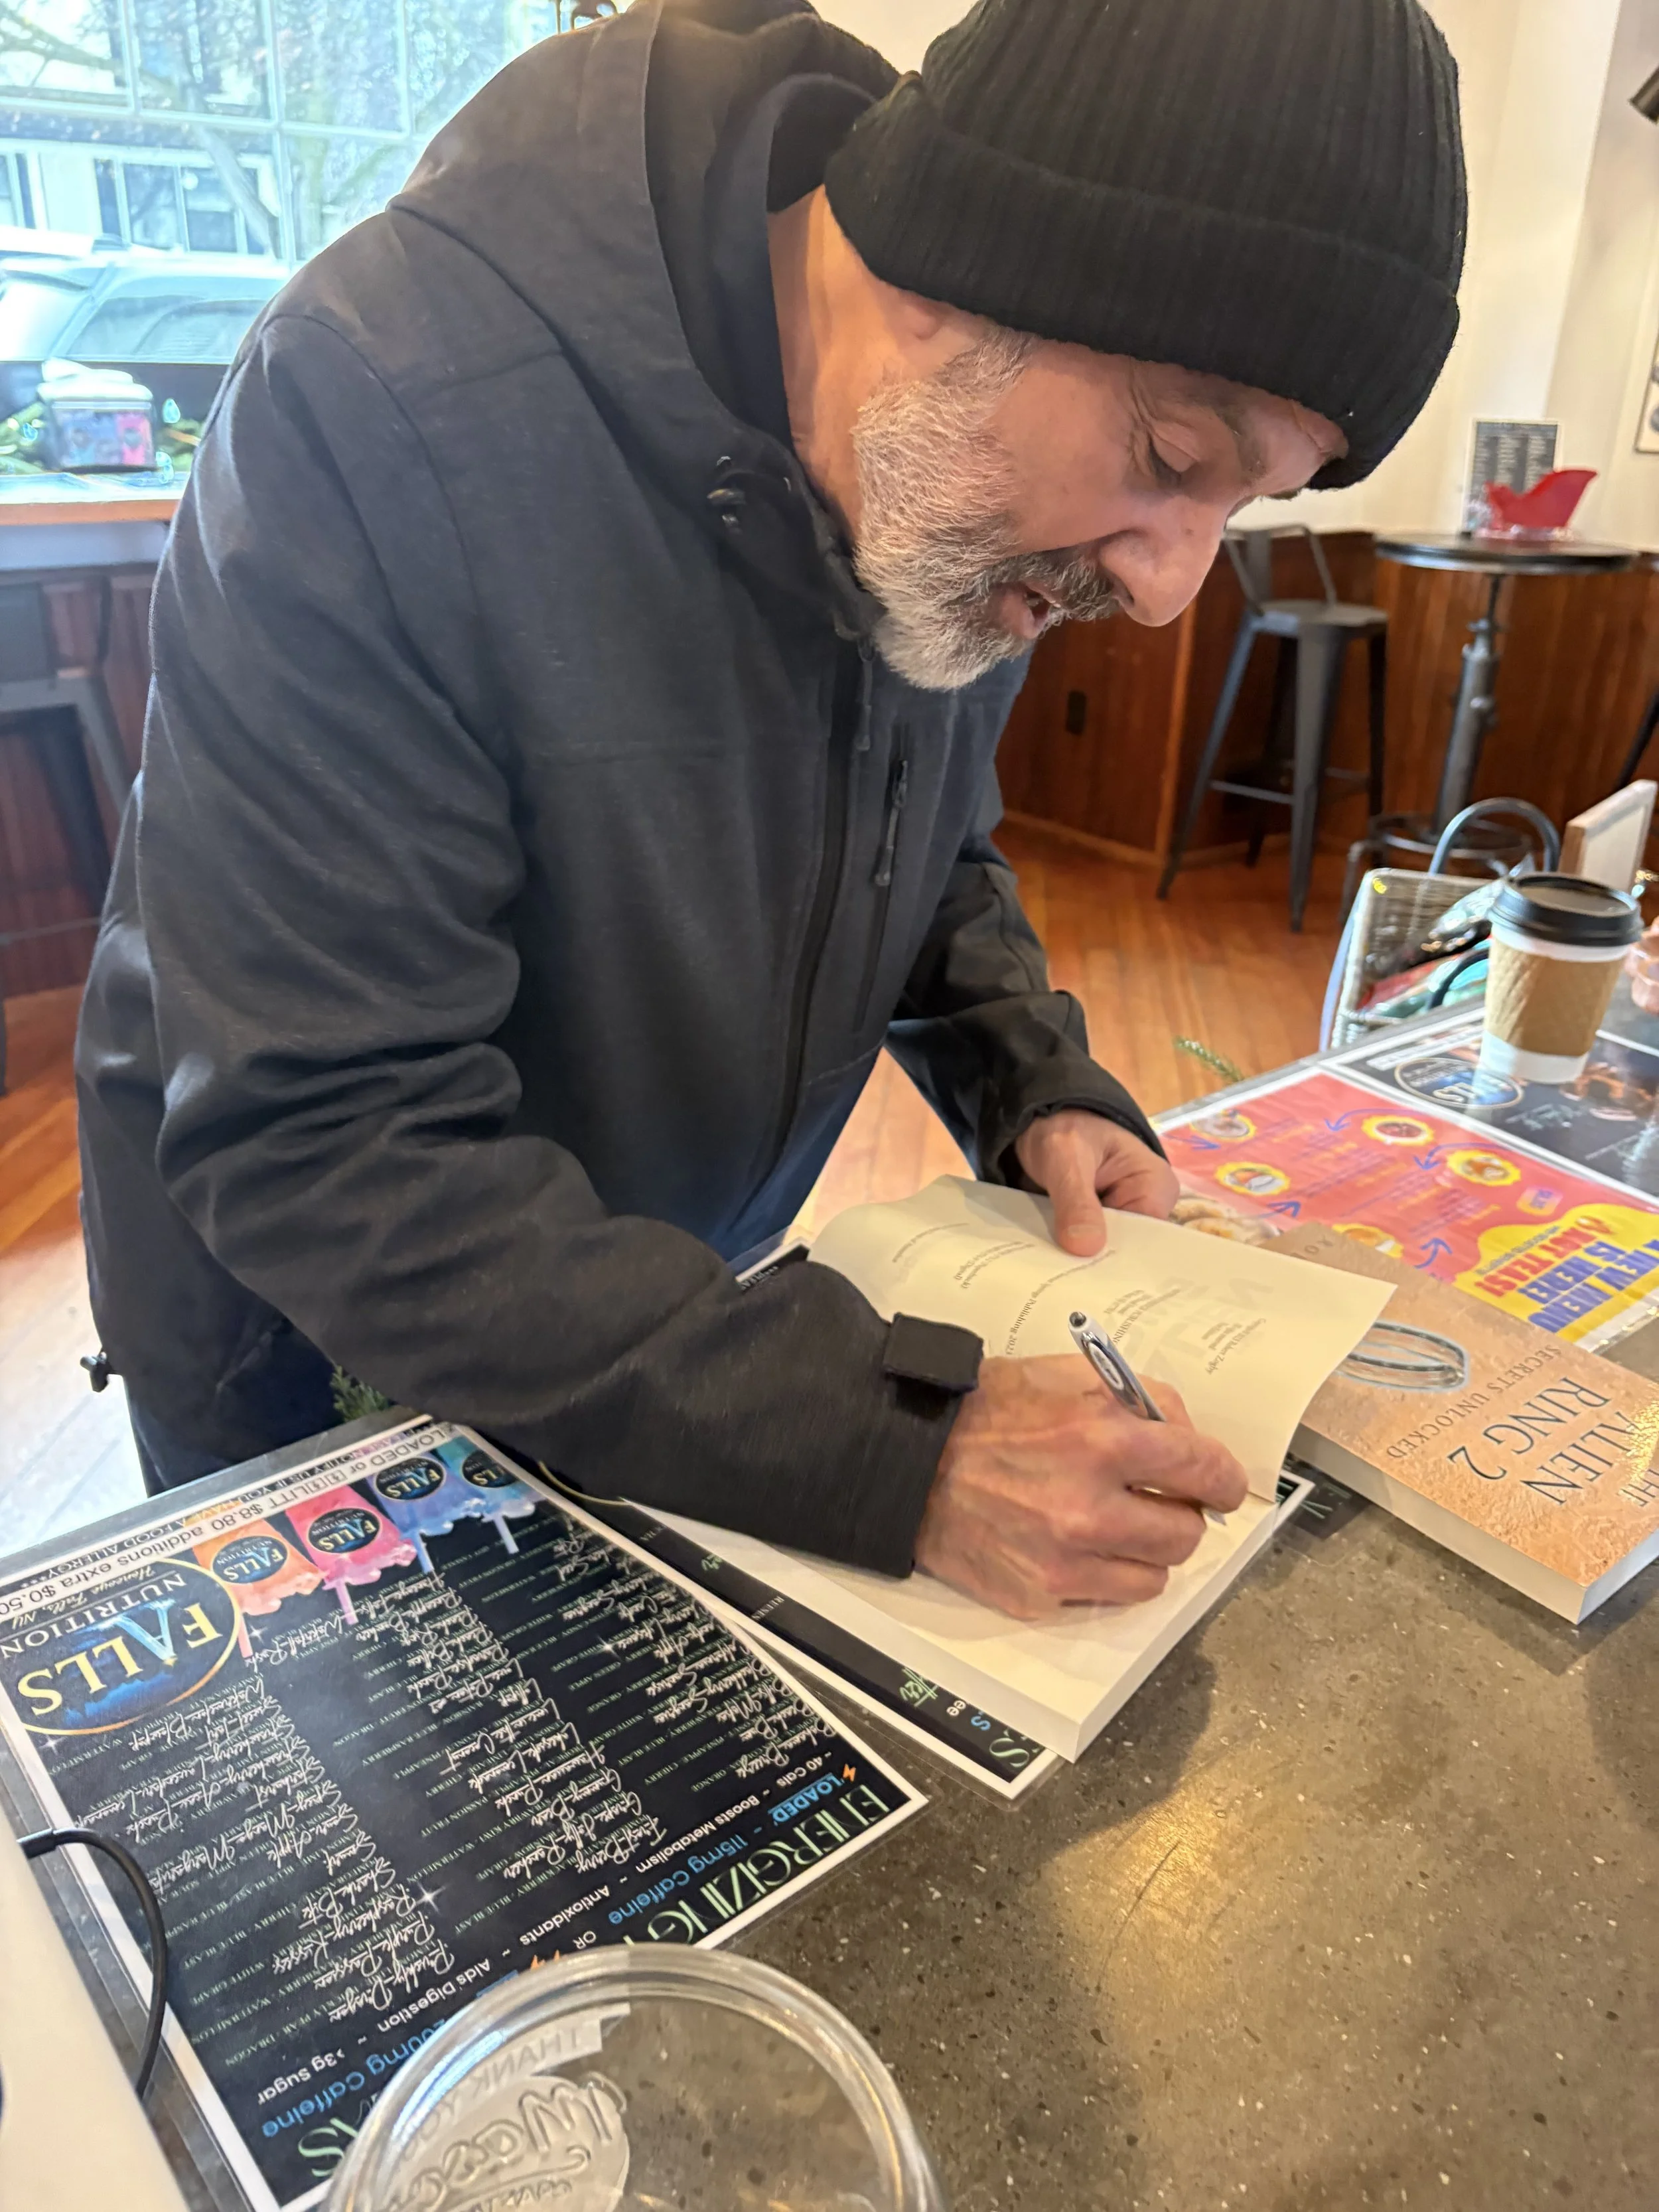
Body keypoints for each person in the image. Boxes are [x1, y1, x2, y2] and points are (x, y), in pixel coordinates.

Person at [75, 0, 1466, 1620]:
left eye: (1245, 504)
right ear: (951, 271)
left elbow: (923, 837)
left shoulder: (938, 475)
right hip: (326, 1351)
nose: (1169, 591)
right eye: (1170, 456)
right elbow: (327, 1139)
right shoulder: (374, 400)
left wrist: (1030, 1080)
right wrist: (886, 1444)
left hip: (662, 1312)